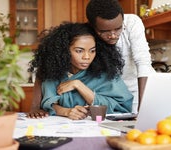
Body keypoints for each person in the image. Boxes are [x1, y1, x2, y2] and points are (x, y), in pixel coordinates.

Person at [27, 0, 155, 118]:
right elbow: (44, 67)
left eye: (118, 28)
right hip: (107, 93)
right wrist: (35, 106)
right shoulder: (86, 35)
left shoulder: (132, 23)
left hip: (138, 91)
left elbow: (143, 63)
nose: (112, 35)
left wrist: (143, 110)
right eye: (105, 31)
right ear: (93, 27)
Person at [28, 22, 133, 120]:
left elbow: (122, 107)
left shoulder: (106, 74)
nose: (87, 57)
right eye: (79, 51)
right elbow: (47, 104)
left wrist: (78, 85)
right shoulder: (54, 72)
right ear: (64, 51)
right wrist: (67, 111)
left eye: (92, 51)